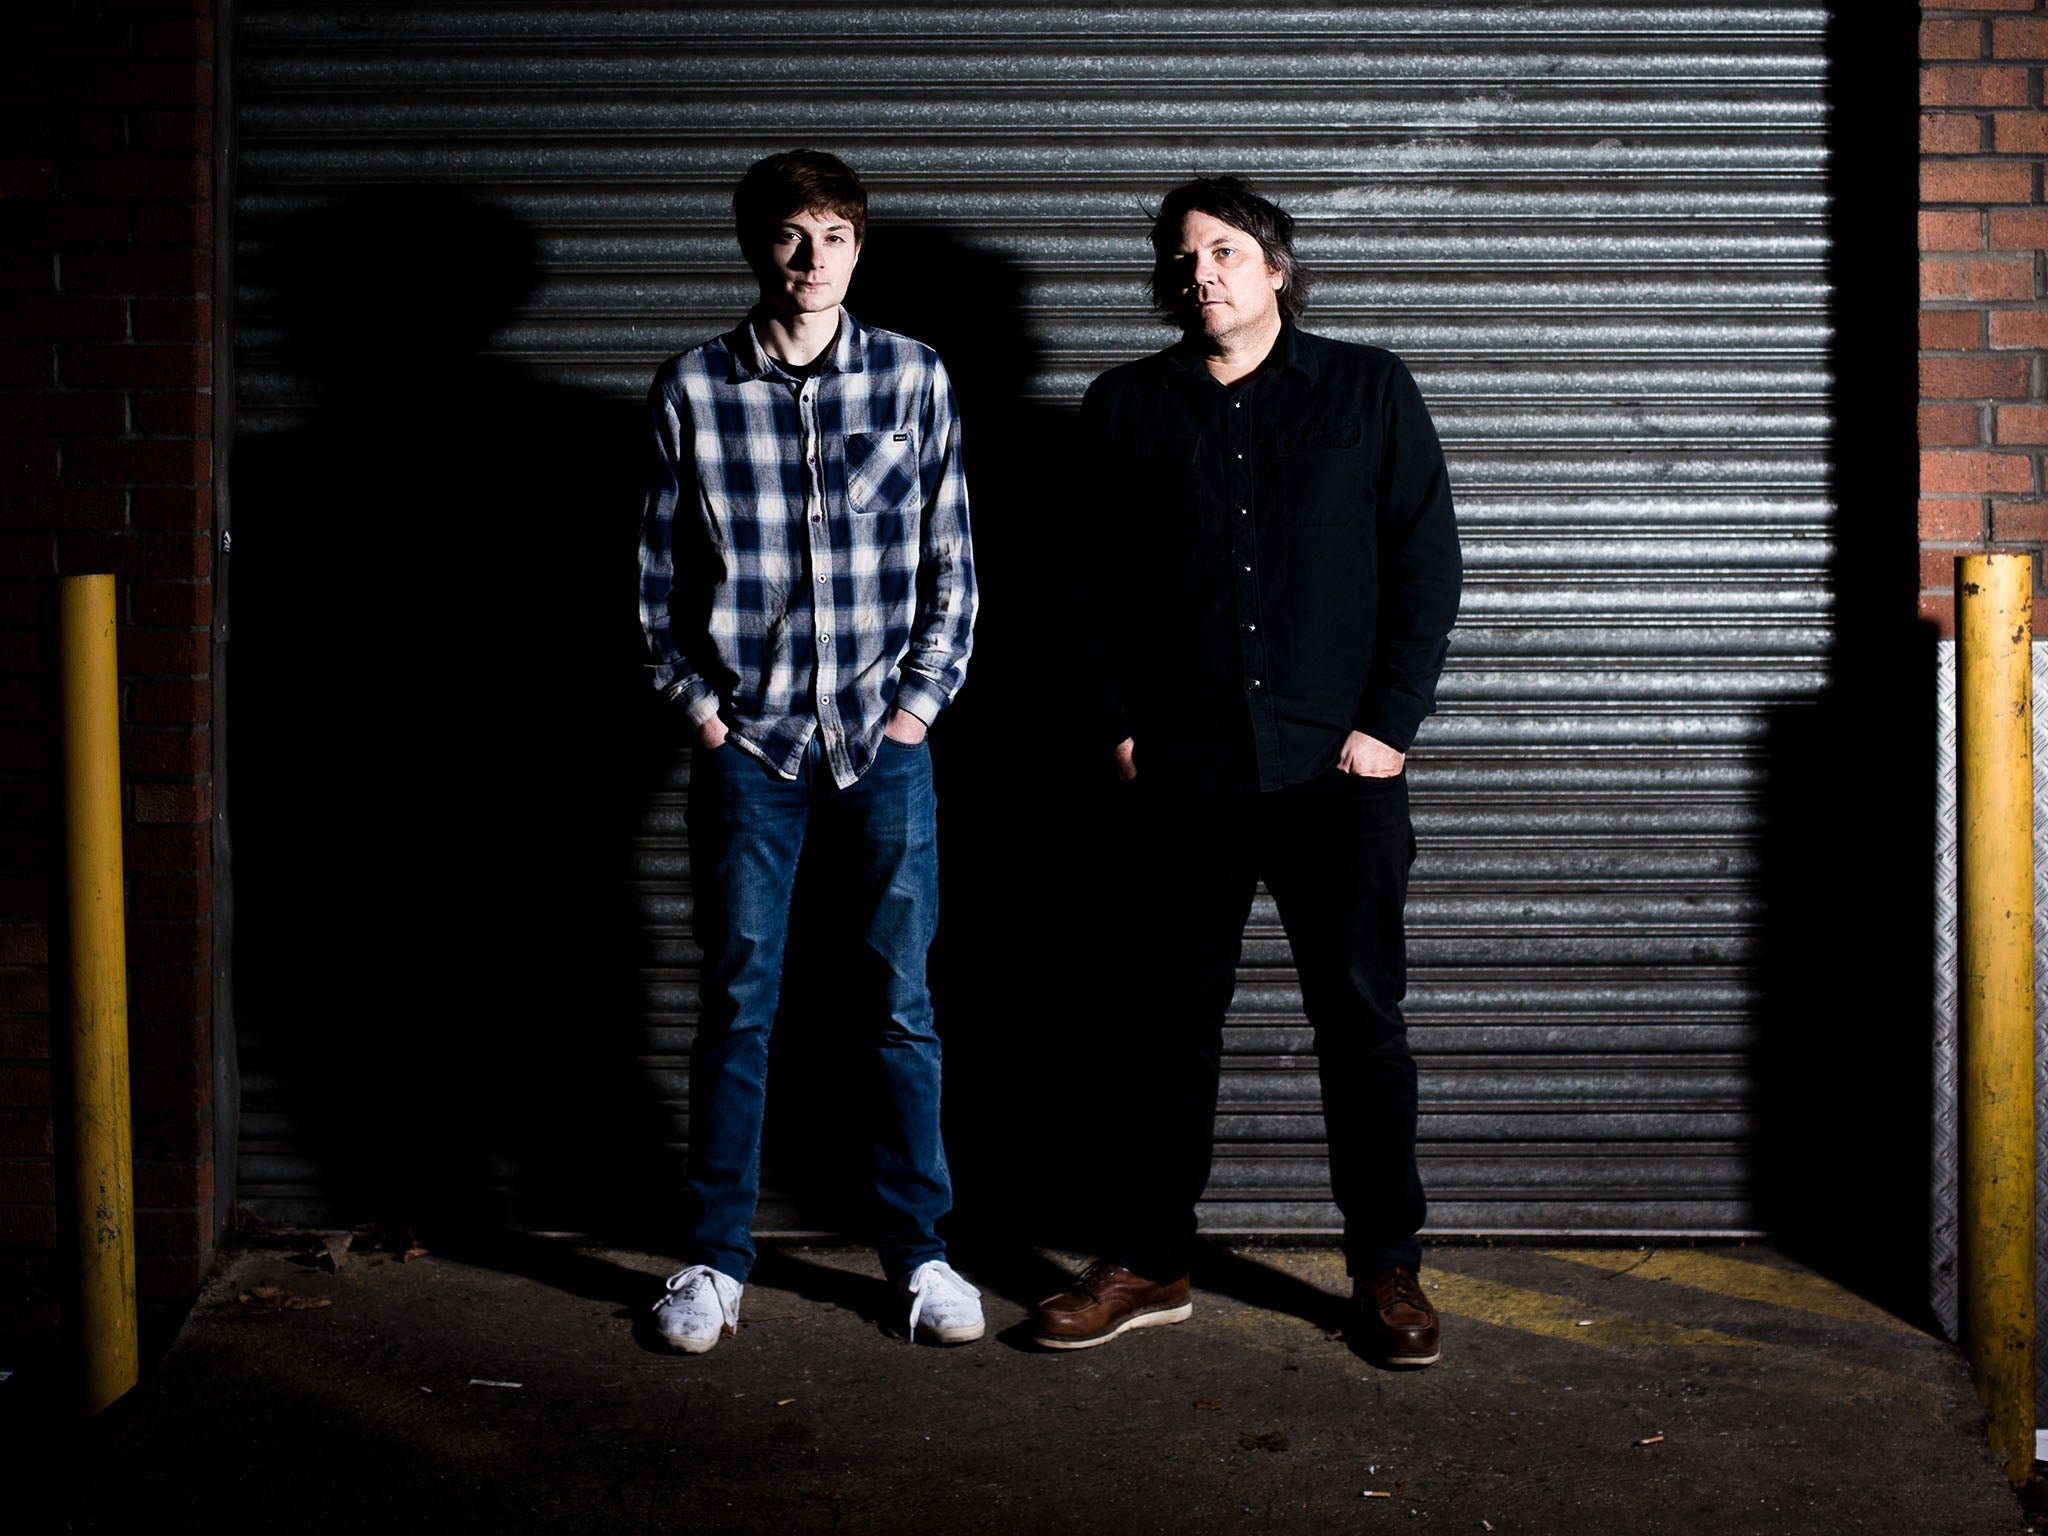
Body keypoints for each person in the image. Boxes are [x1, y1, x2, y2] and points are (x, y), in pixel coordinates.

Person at [1031, 176, 1461, 1367]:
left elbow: (1426, 566)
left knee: (1360, 1025)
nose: (1201, 273)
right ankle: (1149, 1258)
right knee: (1162, 1028)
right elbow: (1079, 591)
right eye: (1183, 258)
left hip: (1342, 775)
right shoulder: (1124, 408)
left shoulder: (1368, 389)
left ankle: (1385, 1270)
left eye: (1225, 252)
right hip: (1183, 776)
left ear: (1275, 268)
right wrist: (1117, 726)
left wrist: (1388, 724)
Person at [637, 149, 982, 1351]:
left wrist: (916, 707)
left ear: (857, 248)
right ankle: (715, 1262)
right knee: (738, 1005)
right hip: (751, 747)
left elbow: (953, 565)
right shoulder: (691, 387)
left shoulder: (913, 375)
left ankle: (921, 1257)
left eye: (834, 234)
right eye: (791, 233)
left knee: (899, 1003)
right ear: (754, 245)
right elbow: (652, 581)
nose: (811, 256)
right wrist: (699, 709)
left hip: (882, 743)